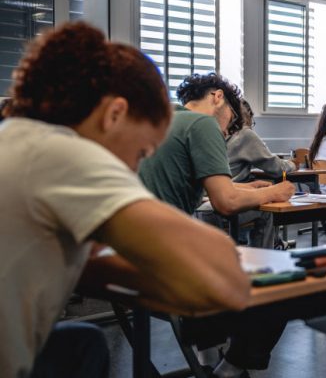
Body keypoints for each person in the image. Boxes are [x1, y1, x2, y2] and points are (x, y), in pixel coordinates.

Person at [0, 22, 249, 377]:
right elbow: (223, 268)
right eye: (142, 150)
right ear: (115, 114)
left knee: (83, 343)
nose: (135, 165)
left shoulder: (16, 135)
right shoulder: (62, 154)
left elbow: (75, 261)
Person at [139, 73, 294, 249]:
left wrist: (246, 187)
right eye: (233, 117)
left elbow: (181, 182)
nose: (228, 130)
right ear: (218, 97)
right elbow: (227, 202)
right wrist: (274, 192)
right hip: (167, 240)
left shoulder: (164, 118)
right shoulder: (203, 123)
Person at [227, 99, 297, 183]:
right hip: (234, 190)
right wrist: (292, 164)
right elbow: (277, 169)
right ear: (247, 114)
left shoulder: (217, 134)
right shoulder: (244, 134)